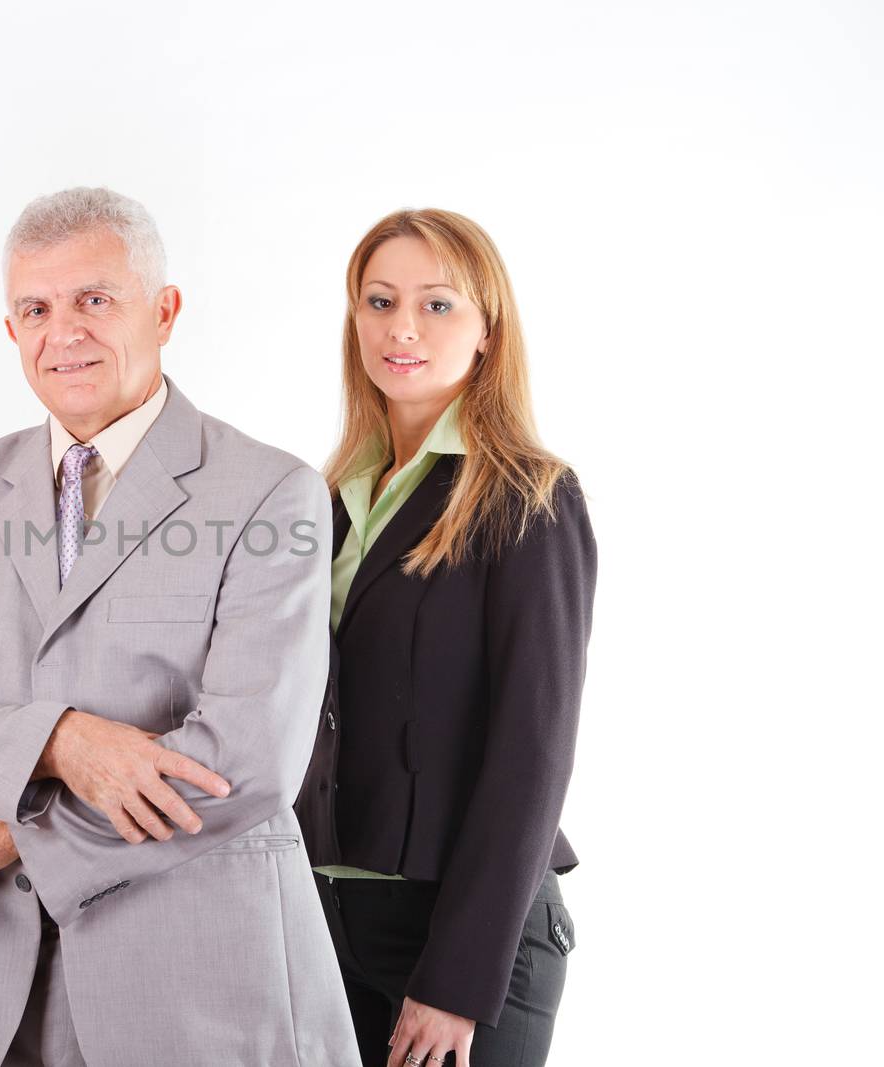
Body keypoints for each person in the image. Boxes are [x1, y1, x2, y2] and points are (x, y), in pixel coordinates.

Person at [0, 187, 358, 1066]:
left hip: (189, 992)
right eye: (35, 308)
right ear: (11, 332)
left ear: (164, 311)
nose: (63, 332)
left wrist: (18, 833)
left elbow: (249, 757)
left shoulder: (272, 493)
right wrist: (60, 742)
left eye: (94, 300)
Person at [294, 208, 595, 1067]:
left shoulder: (527, 498)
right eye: (380, 301)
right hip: (327, 925)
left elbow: (532, 752)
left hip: (465, 937)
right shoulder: (322, 499)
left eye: (437, 305)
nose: (401, 328)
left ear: (488, 330)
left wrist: (458, 979)